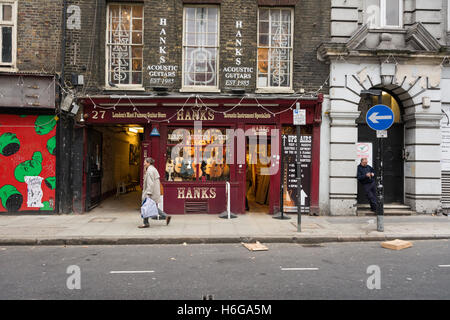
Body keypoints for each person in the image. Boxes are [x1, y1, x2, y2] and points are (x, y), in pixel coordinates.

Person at [139, 157, 171, 228]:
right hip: (154, 191)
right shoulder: (152, 169)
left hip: (150, 192)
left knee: (146, 206)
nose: (144, 163)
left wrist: (148, 193)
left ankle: (146, 223)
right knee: (149, 206)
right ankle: (147, 222)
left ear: (148, 163)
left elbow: (150, 183)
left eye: (145, 162)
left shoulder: (150, 171)